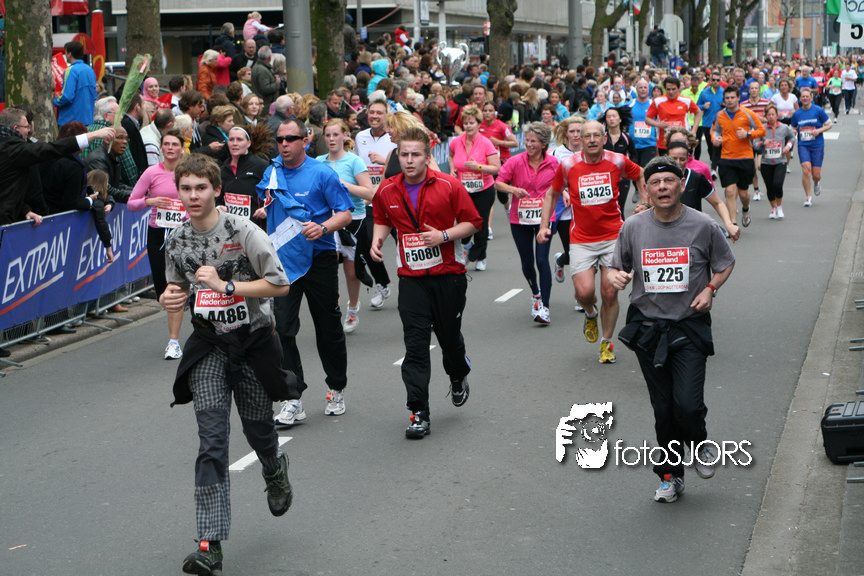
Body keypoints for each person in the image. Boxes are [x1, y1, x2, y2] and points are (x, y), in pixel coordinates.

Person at [159, 153, 294, 576]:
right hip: (210, 346)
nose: (193, 195)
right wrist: (168, 299)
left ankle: (273, 468)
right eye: (186, 188)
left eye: (201, 187)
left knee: (258, 430)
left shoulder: (244, 230)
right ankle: (209, 544)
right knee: (212, 442)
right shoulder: (176, 240)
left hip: (252, 342)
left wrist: (227, 285)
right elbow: (176, 287)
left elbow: (280, 285)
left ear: (216, 189)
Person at [608, 155, 735, 503]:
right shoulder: (633, 227)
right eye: (655, 183)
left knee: (688, 407)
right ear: (646, 190)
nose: (662, 187)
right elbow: (616, 267)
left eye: (669, 181)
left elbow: (725, 263)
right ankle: (670, 476)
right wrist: (615, 276)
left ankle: (699, 441)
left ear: (681, 185)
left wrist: (710, 289)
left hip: (689, 327)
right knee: (664, 410)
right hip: (648, 328)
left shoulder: (703, 225)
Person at [371, 126, 482, 439]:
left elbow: (474, 222)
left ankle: (458, 374)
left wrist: (443, 235)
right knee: (415, 345)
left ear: (427, 157)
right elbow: (382, 218)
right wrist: (377, 240)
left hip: (449, 276)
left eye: (415, 155)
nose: (409, 160)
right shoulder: (387, 189)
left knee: (449, 339)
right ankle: (418, 412)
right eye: (404, 154)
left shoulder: (448, 185)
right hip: (411, 279)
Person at [264, 119, 353, 426]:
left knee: (327, 328)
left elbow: (345, 213)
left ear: (305, 141)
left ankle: (336, 388)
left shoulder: (322, 173)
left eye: (291, 138)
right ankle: (293, 397)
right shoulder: (272, 172)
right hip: (284, 261)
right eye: (280, 139)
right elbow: (271, 206)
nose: (284, 144)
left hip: (319, 258)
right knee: (283, 330)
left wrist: (323, 227)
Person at [537, 120, 645, 364]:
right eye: (588, 136)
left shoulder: (617, 160)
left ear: (604, 138)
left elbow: (640, 174)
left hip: (613, 236)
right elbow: (552, 193)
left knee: (610, 292)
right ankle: (590, 313)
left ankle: (606, 344)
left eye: (597, 135)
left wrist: (645, 202)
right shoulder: (568, 165)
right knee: (585, 293)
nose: (593, 140)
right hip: (582, 239)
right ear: (581, 140)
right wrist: (544, 226)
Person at [127, 130, 187, 358]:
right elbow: (132, 203)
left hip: (184, 234)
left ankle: (174, 341)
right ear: (161, 148)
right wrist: (150, 200)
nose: (170, 148)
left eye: (175, 144)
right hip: (158, 234)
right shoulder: (152, 172)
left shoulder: (188, 173)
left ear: (182, 148)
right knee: (164, 289)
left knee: (177, 286)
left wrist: (188, 215)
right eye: (166, 144)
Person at [494, 122, 559, 324]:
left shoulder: (553, 163)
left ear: (544, 144)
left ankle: (544, 307)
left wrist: (564, 192)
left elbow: (561, 183)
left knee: (542, 260)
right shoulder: (515, 161)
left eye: (534, 141)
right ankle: (536, 293)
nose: (529, 144)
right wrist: (513, 190)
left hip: (545, 217)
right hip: (520, 218)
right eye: (527, 140)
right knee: (527, 262)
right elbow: (498, 183)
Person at [316, 119, 373, 333]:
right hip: (328, 220)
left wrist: (343, 184)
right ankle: (334, 310)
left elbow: (369, 193)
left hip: (353, 219)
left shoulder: (354, 161)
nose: (331, 139)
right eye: (328, 135)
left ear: (345, 136)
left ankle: (353, 308)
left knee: (351, 272)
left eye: (335, 135)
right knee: (329, 268)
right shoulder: (318, 162)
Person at [449, 104, 501, 271]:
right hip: (463, 190)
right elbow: (451, 155)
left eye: (471, 123)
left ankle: (480, 256)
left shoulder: (486, 143)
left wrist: (479, 167)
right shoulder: (456, 142)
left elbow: (496, 168)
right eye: (466, 123)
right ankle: (467, 245)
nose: (468, 126)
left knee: (480, 222)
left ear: (479, 123)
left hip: (483, 190)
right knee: (464, 221)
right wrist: (452, 168)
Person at [711, 85, 765, 231]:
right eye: (727, 98)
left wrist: (748, 134)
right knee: (729, 191)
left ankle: (746, 208)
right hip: (726, 158)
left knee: (743, 193)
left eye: (732, 97)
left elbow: (761, 130)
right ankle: (732, 224)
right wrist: (715, 139)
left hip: (745, 158)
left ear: (738, 98)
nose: (729, 100)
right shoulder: (720, 115)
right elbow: (715, 131)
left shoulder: (747, 113)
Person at [665, 141, 739, 238]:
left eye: (682, 159)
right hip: (666, 232)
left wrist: (729, 224)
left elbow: (718, 203)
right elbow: (649, 204)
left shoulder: (696, 178)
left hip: (692, 233)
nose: (678, 163)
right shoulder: (657, 179)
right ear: (666, 157)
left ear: (688, 158)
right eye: (673, 159)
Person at [551, 117, 584, 306]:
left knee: (584, 256)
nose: (576, 135)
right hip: (565, 211)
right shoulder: (557, 153)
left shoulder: (590, 152)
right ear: (566, 133)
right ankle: (562, 260)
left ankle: (581, 295)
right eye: (572, 131)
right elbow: (553, 179)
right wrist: (564, 192)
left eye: (579, 131)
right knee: (574, 254)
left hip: (586, 210)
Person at [219, 126, 269, 230]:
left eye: (239, 139)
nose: (235, 143)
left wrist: (267, 208)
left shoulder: (261, 166)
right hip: (229, 228)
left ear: (249, 143)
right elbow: (216, 196)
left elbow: (276, 194)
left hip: (255, 228)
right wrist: (218, 207)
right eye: (231, 139)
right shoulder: (223, 169)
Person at [753, 103, 795, 220]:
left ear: (777, 115)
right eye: (769, 115)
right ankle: (773, 207)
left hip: (780, 161)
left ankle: (779, 206)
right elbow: (755, 144)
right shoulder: (761, 129)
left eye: (773, 114)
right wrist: (762, 143)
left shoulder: (784, 128)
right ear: (765, 116)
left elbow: (792, 138)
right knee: (769, 186)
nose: (771, 117)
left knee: (777, 184)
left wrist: (788, 146)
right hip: (766, 162)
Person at [790, 87, 831, 207]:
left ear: (811, 98)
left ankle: (816, 183)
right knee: (806, 170)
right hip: (803, 145)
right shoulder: (797, 114)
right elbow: (792, 128)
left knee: (816, 175)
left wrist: (819, 130)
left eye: (807, 96)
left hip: (817, 145)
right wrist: (793, 132)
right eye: (803, 97)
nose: (805, 98)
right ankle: (808, 197)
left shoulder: (818, 110)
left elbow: (829, 125)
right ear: (800, 98)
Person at [645, 77, 702, 157]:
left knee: (681, 163)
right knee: (666, 164)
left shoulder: (686, 100)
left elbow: (698, 112)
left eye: (673, 89)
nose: (671, 92)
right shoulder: (658, 101)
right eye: (668, 89)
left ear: (678, 88)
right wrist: (658, 124)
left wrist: (694, 131)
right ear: (665, 89)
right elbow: (647, 119)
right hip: (664, 142)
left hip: (682, 141)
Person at [53, 41, 97, 127]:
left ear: (69, 54)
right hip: (88, 120)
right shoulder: (90, 70)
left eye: (65, 53)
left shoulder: (70, 70)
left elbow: (67, 96)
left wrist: (54, 101)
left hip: (70, 120)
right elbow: (94, 95)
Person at [696, 71, 725, 173]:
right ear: (710, 80)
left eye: (718, 80)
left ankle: (716, 166)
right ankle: (713, 162)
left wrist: (725, 105)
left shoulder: (724, 92)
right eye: (714, 80)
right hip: (707, 123)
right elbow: (697, 106)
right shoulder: (704, 92)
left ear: (720, 80)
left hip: (721, 123)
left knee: (720, 145)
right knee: (710, 145)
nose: (716, 82)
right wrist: (703, 106)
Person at [628, 79, 658, 169]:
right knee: (634, 173)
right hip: (633, 145)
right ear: (637, 89)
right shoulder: (629, 105)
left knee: (646, 171)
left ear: (648, 90)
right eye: (640, 87)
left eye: (645, 87)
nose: (643, 89)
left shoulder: (654, 104)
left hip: (649, 144)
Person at [251, 46, 281, 114]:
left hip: (263, 104)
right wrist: (277, 83)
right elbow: (265, 89)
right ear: (269, 57)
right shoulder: (262, 70)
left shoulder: (256, 67)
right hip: (266, 106)